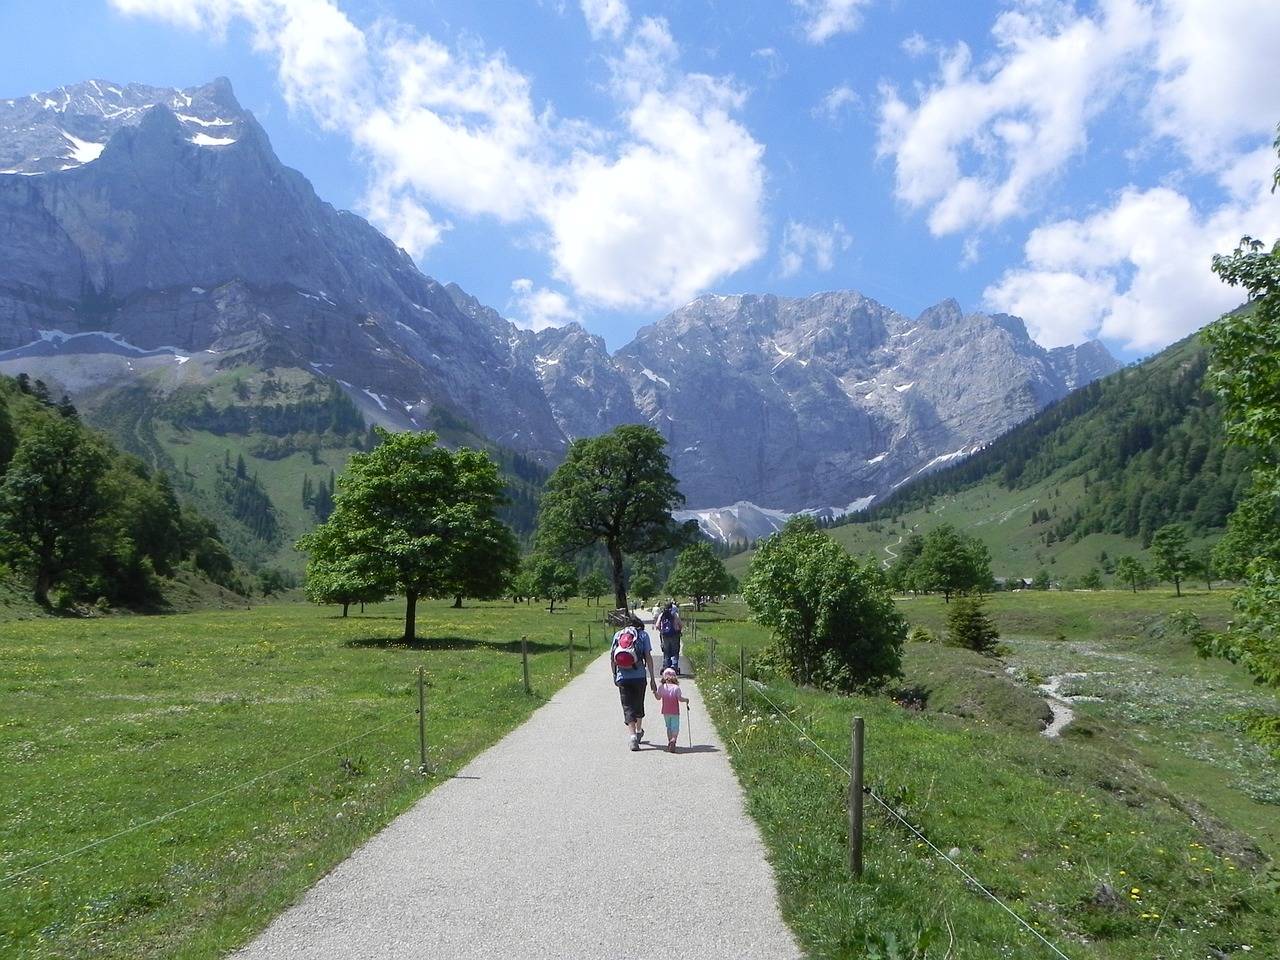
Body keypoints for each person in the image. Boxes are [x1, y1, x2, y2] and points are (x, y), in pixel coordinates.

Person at [611, 616, 657, 751]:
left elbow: (612, 657)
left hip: (622, 676)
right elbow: (648, 657)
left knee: (627, 706)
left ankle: (632, 738)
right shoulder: (643, 635)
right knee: (638, 703)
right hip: (639, 675)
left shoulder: (618, 635)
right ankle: (638, 731)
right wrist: (653, 678)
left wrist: (614, 675)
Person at [654, 667, 689, 752]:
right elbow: (679, 699)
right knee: (675, 727)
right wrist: (686, 700)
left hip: (665, 711)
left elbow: (658, 698)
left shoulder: (662, 687)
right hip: (675, 712)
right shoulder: (676, 688)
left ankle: (670, 741)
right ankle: (674, 739)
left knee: (668, 727)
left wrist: (654, 692)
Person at [657, 600, 683, 673]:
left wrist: (661, 631)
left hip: (665, 635)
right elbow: (680, 625)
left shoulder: (662, 615)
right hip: (675, 635)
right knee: (675, 651)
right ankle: (674, 666)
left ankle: (666, 666)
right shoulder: (675, 614)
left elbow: (657, 625)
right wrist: (679, 630)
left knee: (666, 651)